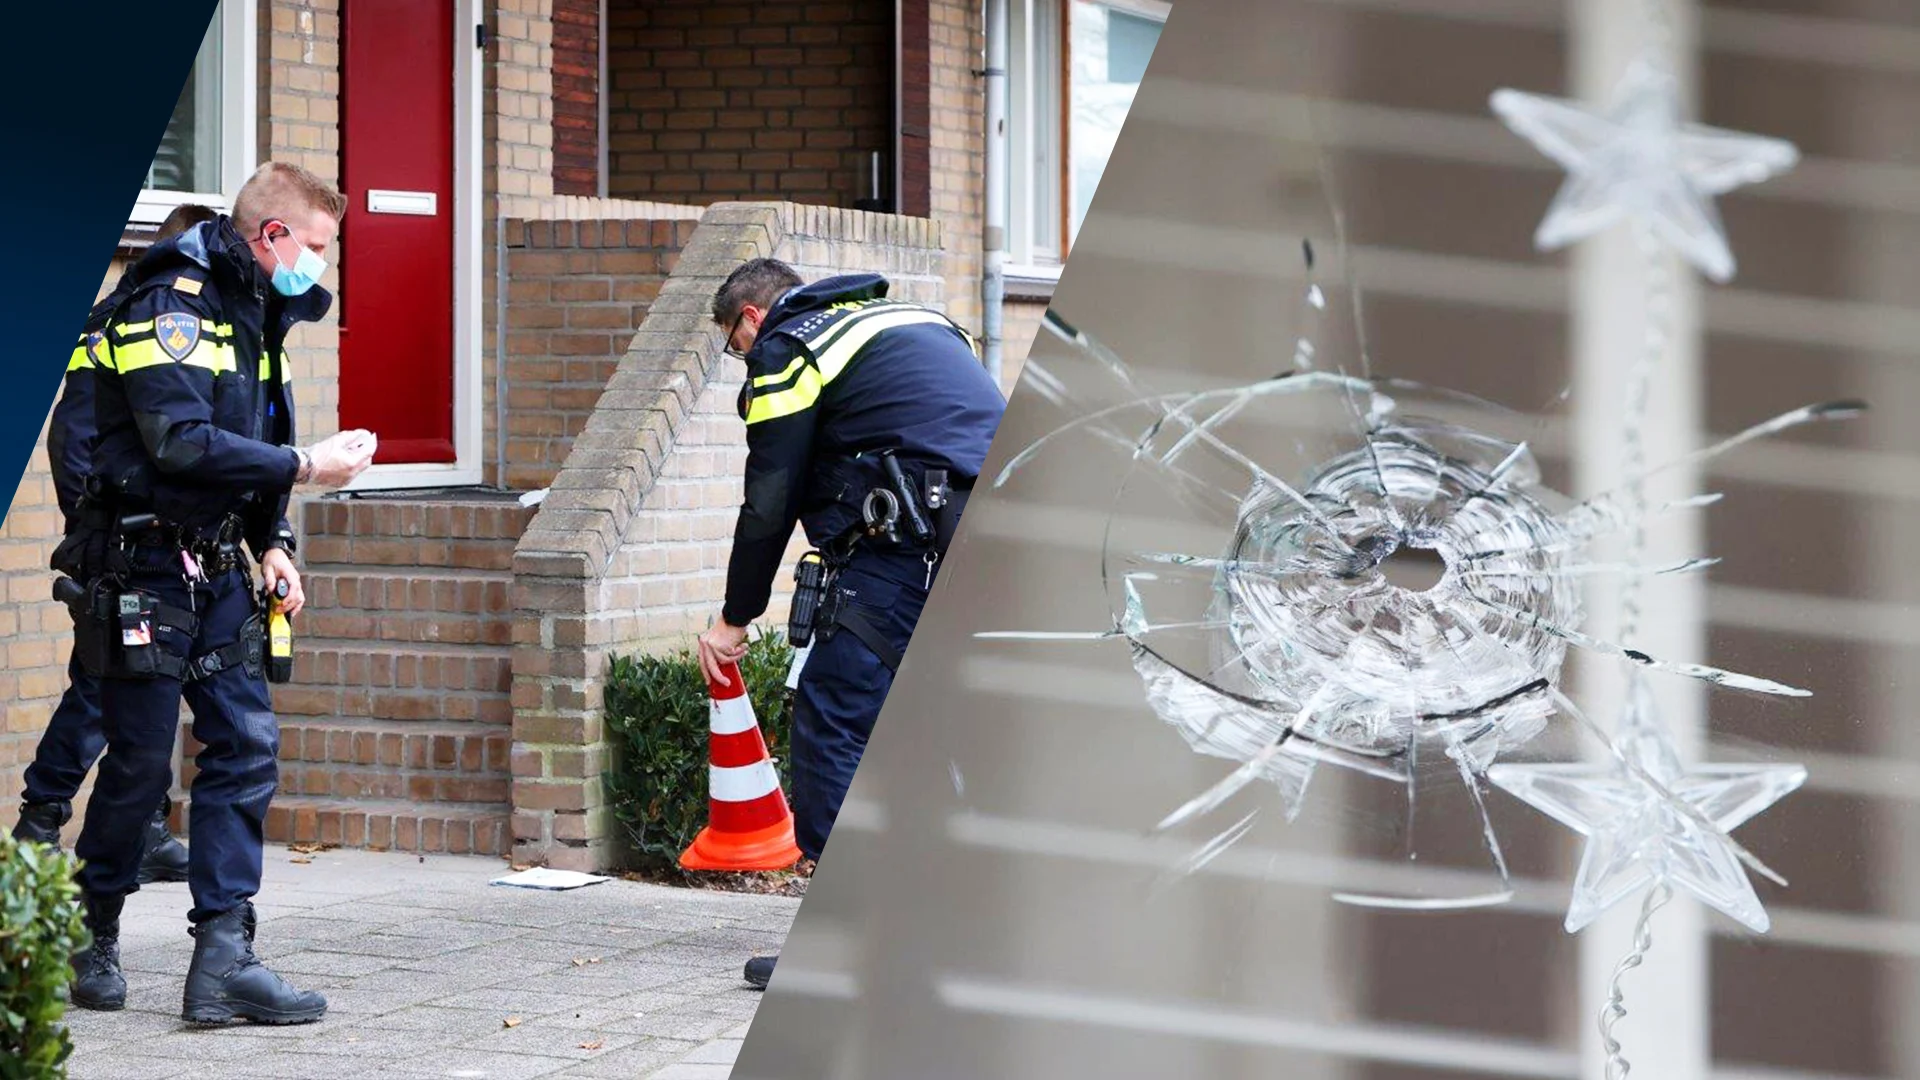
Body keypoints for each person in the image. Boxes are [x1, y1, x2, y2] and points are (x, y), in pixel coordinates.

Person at [64, 162, 378, 1024]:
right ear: (271, 235)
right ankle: (90, 931)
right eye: (315, 246)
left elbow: (255, 427)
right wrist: (309, 467)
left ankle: (225, 961)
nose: (322, 265)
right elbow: (181, 442)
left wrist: (271, 539)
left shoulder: (258, 307)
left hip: (214, 566)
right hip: (141, 567)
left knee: (245, 743)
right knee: (137, 767)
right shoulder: (173, 302)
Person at [695, 259, 1005, 990]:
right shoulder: (916, 320)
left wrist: (735, 617)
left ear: (749, 319)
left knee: (834, 721)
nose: (744, 363)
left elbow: (769, 497)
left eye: (734, 349)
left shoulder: (790, 346)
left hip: (907, 547)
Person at [14, 203, 221, 885]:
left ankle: (149, 826)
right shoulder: (124, 320)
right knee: (105, 687)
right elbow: (74, 436)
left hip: (163, 547)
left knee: (145, 688)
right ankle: (38, 826)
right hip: (121, 549)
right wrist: (102, 538)